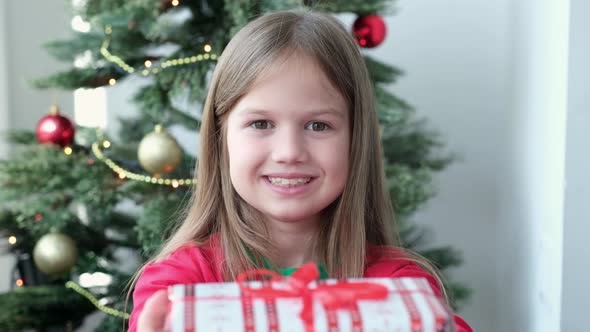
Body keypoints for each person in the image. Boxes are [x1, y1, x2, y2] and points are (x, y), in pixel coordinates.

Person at [128, 9, 473, 332]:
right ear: (221, 140)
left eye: (319, 126)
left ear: (356, 140)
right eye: (261, 123)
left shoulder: (400, 286)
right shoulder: (175, 289)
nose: (289, 153)